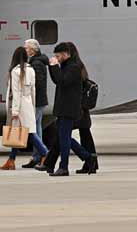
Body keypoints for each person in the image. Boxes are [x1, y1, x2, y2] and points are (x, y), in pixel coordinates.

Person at [47, 42, 93, 176]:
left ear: (66, 54)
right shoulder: (66, 66)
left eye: (58, 55)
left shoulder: (73, 67)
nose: (57, 57)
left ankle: (64, 167)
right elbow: (57, 80)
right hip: (63, 107)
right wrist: (52, 66)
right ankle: (88, 158)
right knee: (64, 137)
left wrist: (55, 66)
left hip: (69, 108)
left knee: (65, 138)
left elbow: (62, 80)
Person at [1, 47, 50, 170]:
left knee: (27, 133)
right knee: (18, 133)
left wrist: (15, 110)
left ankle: (45, 153)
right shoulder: (31, 70)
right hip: (28, 103)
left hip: (19, 104)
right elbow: (33, 90)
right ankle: (11, 160)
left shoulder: (15, 71)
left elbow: (16, 93)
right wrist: (32, 106)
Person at [23, 38, 49, 169]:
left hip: (36, 100)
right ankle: (37, 156)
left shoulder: (36, 63)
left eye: (27, 48)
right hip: (39, 99)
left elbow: (37, 82)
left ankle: (42, 154)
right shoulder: (38, 61)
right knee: (36, 127)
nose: (25, 50)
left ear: (32, 50)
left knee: (33, 128)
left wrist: (30, 96)